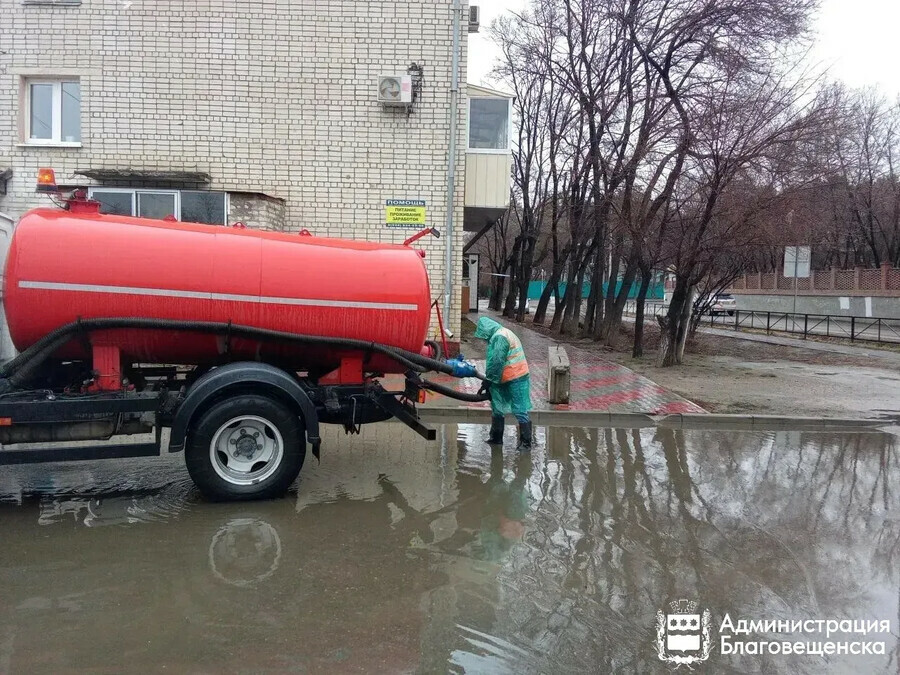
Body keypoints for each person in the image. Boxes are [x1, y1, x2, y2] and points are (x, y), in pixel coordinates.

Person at [472, 316, 532, 452]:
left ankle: (526, 443)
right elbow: (495, 362)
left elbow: (497, 361)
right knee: (497, 406)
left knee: (519, 409)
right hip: (502, 376)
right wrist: (488, 383)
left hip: (516, 375)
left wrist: (488, 381)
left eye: (483, 334)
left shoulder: (500, 337)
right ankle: (496, 438)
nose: (483, 338)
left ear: (487, 330)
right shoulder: (500, 334)